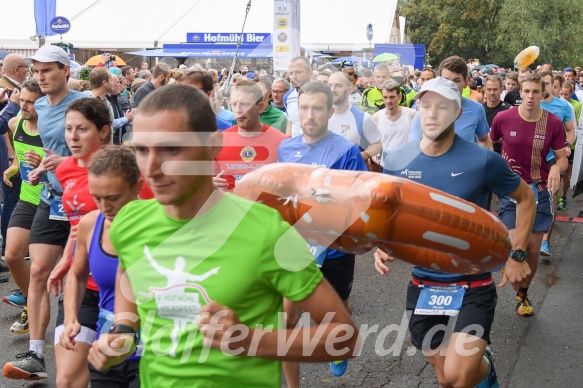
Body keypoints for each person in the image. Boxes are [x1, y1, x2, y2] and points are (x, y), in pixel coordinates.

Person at [86, 84, 359, 387]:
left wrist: (250, 341)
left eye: (171, 149)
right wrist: (124, 331)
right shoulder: (130, 222)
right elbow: (130, 275)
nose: (152, 168)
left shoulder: (267, 231)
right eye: (142, 150)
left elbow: (344, 336)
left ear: (214, 145)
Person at [377, 77, 535, 388]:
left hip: (472, 283)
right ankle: (481, 371)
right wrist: (386, 243)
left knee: (459, 376)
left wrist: (516, 253)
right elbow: (390, 214)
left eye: (442, 106)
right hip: (424, 284)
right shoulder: (396, 160)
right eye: (425, 106)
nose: (432, 114)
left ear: (458, 112)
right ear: (417, 109)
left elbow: (525, 197)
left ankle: (484, 366)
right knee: (445, 377)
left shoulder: (482, 160)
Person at [3, 44, 87, 382]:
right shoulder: (37, 105)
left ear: (65, 71)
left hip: (85, 204)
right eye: (36, 71)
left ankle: (86, 345)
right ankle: (35, 354)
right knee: (37, 272)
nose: (40, 77)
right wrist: (39, 170)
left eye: (47, 70)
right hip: (51, 199)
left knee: (80, 279)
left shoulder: (82, 107)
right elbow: (45, 147)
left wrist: (63, 163)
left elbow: (103, 153)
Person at [277, 82, 367, 384]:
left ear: (330, 111)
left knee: (332, 315)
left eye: (317, 108)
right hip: (296, 246)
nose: (310, 115)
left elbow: (361, 202)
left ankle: (339, 338)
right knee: (287, 320)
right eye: (304, 108)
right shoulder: (286, 148)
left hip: (335, 246)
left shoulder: (347, 151)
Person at [60, 146, 143, 388]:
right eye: (97, 197)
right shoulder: (90, 223)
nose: (105, 207)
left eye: (113, 198)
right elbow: (76, 275)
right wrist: (71, 319)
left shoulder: (161, 226)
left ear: (137, 186)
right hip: (106, 349)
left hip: (152, 353)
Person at [491, 72, 569, 316]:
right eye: (526, 91)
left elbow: (563, 158)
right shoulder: (503, 118)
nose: (530, 96)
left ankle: (522, 296)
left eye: (536, 91)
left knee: (533, 249)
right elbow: (490, 147)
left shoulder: (553, 123)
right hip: (512, 190)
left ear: (543, 92)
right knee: (514, 243)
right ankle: (511, 261)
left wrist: (556, 168)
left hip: (540, 189)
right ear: (518, 93)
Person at [1, 80, 46, 335]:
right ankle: (31, 301)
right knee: (12, 255)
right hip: (28, 198)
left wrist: (44, 162)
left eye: (31, 102)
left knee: (43, 266)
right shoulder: (14, 123)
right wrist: (14, 166)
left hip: (53, 200)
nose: (23, 106)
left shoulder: (52, 128)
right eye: (22, 101)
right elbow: (19, 154)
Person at [213, 79, 287, 190]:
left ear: (260, 107)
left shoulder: (282, 142)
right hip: (229, 206)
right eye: (234, 104)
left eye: (245, 104)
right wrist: (211, 185)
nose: (238, 110)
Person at [409, 56, 492, 150]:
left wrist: (488, 162)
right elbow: (413, 145)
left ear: (466, 82)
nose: (451, 85)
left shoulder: (477, 109)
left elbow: (483, 140)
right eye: (446, 80)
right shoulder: (424, 109)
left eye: (456, 81)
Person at [327, 71, 382, 163]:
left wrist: (357, 156)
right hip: (325, 174)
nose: (333, 89)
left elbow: (377, 144)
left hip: (351, 174)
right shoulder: (319, 116)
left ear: (349, 90)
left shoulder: (363, 118)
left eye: (338, 86)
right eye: (330, 85)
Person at [373, 79, 415, 166]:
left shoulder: (411, 115)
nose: (388, 101)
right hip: (385, 166)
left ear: (399, 97)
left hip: (407, 167)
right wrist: (375, 156)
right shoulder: (377, 117)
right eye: (385, 97)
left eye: (392, 97)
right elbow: (373, 143)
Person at [285, 57, 313, 137]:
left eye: (298, 72)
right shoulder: (287, 97)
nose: (294, 77)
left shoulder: (323, 95)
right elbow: (291, 121)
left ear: (310, 73)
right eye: (290, 73)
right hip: (296, 148)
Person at [482, 75, 510, 154]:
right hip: (483, 155)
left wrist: (493, 138)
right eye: (489, 89)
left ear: (501, 90)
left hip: (502, 156)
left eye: (495, 89)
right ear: (485, 90)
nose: (492, 93)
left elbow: (514, 136)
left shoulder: (509, 110)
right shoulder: (479, 109)